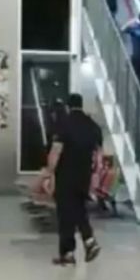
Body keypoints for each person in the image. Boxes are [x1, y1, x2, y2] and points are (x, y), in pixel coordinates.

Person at [47, 93, 103, 265]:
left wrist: (49, 173)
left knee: (65, 214)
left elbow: (56, 151)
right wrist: (95, 176)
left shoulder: (63, 124)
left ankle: (69, 253)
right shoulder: (93, 126)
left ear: (68, 106)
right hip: (84, 175)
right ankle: (88, 241)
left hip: (65, 175)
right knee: (79, 209)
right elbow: (99, 157)